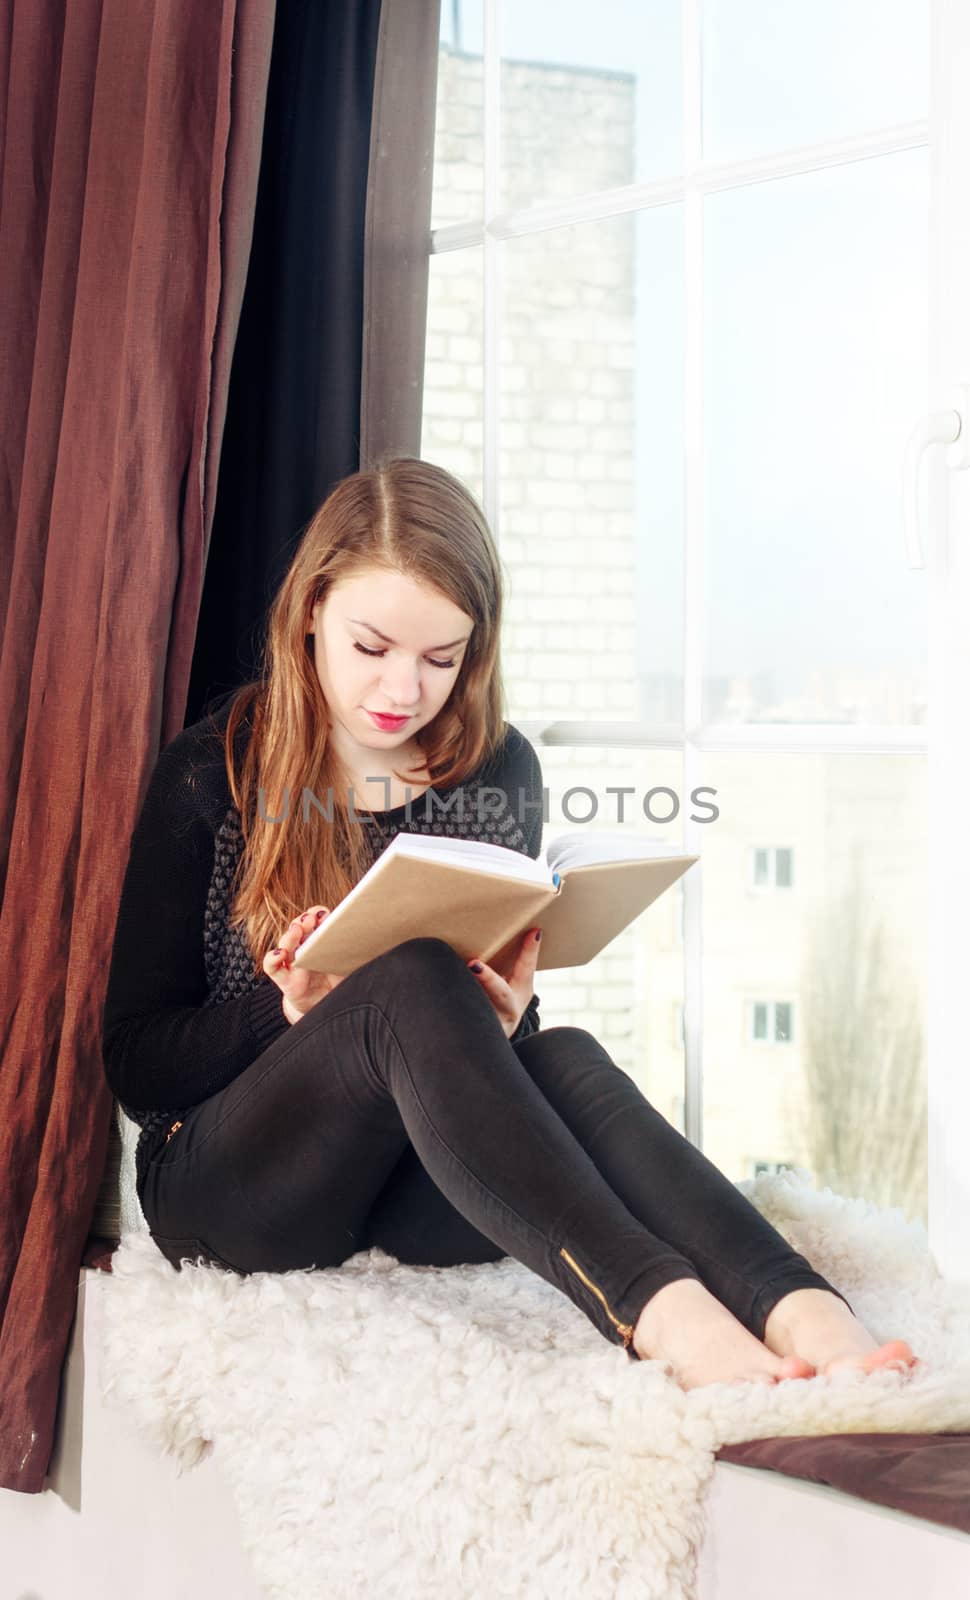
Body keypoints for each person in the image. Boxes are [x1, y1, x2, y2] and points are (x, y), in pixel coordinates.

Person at [102, 457, 918, 1391]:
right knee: (405, 977)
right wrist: (283, 1017)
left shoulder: (494, 771)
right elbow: (135, 1064)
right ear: (314, 609)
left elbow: (482, 1068)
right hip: (228, 1188)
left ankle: (801, 1307)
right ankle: (662, 1313)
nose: (403, 690)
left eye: (440, 659)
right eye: (373, 647)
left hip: (407, 1176)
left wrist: (503, 1017)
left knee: (561, 1054)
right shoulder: (212, 775)